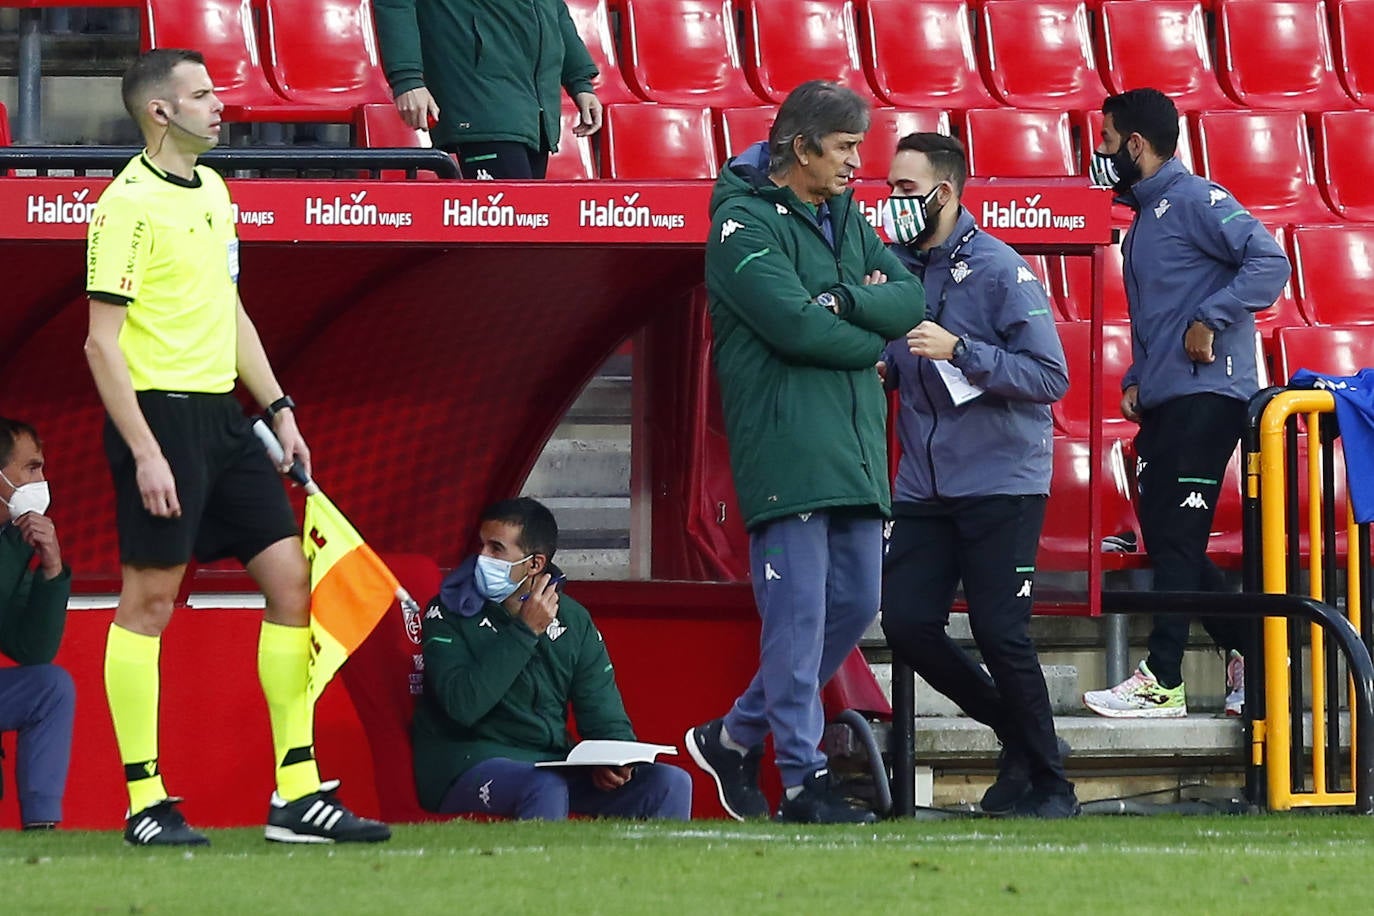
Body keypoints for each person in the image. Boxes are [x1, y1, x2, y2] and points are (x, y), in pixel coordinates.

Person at [83, 49, 390, 846]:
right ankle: (145, 801)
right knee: (150, 604)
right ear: (160, 111)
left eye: (215, 91)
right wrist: (146, 450)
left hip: (225, 419)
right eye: (202, 95)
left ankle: (296, 792)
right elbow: (99, 346)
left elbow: (231, 310)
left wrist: (279, 407)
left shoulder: (216, 191)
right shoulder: (124, 207)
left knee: (291, 583)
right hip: (161, 420)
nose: (220, 105)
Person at [684, 80, 926, 824]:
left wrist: (847, 302)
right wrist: (863, 324)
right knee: (795, 621)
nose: (860, 163)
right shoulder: (740, 226)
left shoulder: (846, 215)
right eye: (848, 147)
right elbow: (793, 328)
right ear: (801, 148)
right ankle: (801, 779)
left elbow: (910, 299)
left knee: (854, 604)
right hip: (788, 449)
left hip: (853, 447)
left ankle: (733, 735)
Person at [874, 133, 1077, 818]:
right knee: (905, 623)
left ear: (947, 192)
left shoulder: (999, 269)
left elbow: (1050, 375)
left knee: (1000, 631)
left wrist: (964, 350)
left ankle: (1053, 783)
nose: (894, 202)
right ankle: (1018, 735)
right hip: (925, 485)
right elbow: (898, 360)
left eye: (906, 190)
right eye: (891, 188)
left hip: (1002, 480)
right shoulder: (895, 269)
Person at [1082, 88, 1290, 719]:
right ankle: (1249, 652)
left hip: (1211, 395)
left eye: (1108, 141)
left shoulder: (1198, 199)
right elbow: (1156, 314)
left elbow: (1270, 261)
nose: (1100, 152)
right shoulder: (1144, 216)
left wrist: (1212, 316)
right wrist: (1140, 372)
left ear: (1136, 145)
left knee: (1178, 536)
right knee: (1174, 539)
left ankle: (1163, 677)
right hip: (1171, 396)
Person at [413, 498, 692, 821]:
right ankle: (541, 873)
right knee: (544, 786)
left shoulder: (572, 619)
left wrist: (615, 759)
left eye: (496, 549)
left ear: (534, 564)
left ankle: (658, 873)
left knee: (670, 783)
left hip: (552, 761)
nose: (482, 558)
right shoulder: (447, 611)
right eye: (482, 545)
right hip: (465, 761)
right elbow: (462, 705)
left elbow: (604, 711)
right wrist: (525, 632)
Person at [374, 0, 603, 179]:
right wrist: (407, 78)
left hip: (535, 112)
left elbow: (555, 11)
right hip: (479, 100)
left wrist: (579, 80)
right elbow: (395, 4)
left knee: (523, 225)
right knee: (510, 227)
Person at [0, 418, 75, 831]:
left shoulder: (12, 541)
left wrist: (51, 568)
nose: (41, 481)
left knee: (51, 687)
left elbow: (32, 649)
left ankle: (42, 829)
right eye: (31, 468)